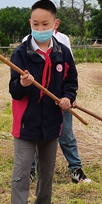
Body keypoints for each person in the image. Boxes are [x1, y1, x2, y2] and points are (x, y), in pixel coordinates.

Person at [9, 0, 78, 204]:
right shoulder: (21, 54)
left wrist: (68, 98)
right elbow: (14, 91)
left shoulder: (63, 53)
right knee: (22, 170)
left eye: (45, 24)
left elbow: (71, 83)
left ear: (55, 24)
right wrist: (23, 83)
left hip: (52, 121)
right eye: (35, 24)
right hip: (26, 123)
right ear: (30, 23)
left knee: (47, 170)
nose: (40, 29)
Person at [24, 30, 92, 184]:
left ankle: (76, 170)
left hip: (60, 101)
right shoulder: (27, 41)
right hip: (36, 101)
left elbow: (70, 72)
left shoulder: (63, 40)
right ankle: (29, 171)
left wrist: (70, 96)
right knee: (33, 135)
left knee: (66, 135)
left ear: (56, 22)